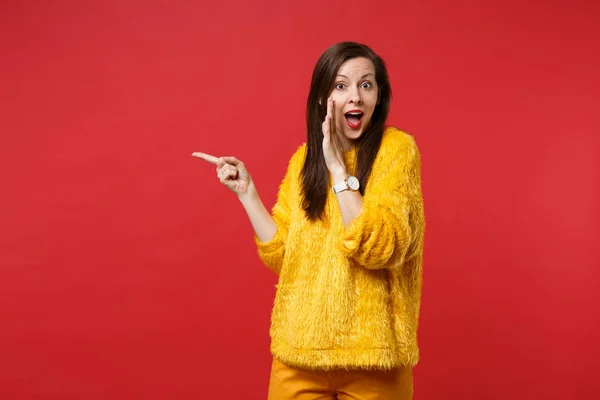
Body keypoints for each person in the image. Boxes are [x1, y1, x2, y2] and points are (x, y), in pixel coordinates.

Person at [193, 42, 425, 400]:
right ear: (322, 98)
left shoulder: (397, 151)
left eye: (366, 85)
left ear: (379, 97)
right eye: (340, 85)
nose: (355, 97)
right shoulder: (303, 161)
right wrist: (248, 193)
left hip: (373, 360)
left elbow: (383, 247)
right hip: (299, 353)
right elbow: (284, 257)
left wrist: (338, 171)